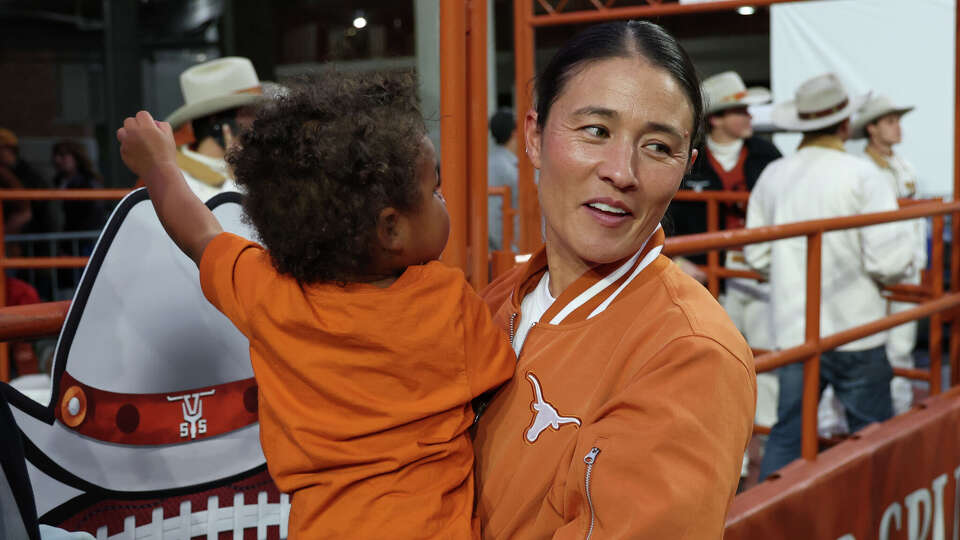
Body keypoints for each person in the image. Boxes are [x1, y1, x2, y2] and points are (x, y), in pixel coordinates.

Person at [117, 71, 514, 538]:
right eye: (434, 192)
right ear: (390, 229)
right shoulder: (444, 300)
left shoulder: (267, 293)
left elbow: (200, 235)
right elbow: (501, 385)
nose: (442, 200)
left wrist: (159, 164)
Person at [472, 21, 756, 538]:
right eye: (596, 131)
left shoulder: (687, 353)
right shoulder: (501, 297)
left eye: (657, 147)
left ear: (685, 167)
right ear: (534, 138)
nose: (622, 172)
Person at [745, 74, 917, 480]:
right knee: (870, 435)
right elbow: (886, 262)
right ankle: (875, 519)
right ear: (845, 124)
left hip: (794, 330)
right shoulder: (862, 175)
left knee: (788, 433)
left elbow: (756, 254)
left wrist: (790, 271)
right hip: (857, 326)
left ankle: (772, 524)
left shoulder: (774, 175)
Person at [852, 94, 925, 416]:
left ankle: (899, 412)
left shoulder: (904, 166)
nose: (898, 129)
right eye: (890, 121)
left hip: (905, 266)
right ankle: (840, 421)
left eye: (898, 121)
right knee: (861, 345)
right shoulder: (860, 170)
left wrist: (918, 261)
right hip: (870, 270)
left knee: (901, 344)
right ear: (872, 128)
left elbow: (918, 222)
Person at [163, 56, 263, 201]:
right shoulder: (178, 180)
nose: (259, 118)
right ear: (218, 122)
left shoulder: (257, 163)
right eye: (249, 111)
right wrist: (235, 182)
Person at [0, 128, 61, 236]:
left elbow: (27, 210)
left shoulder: (27, 175)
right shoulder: (11, 172)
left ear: (9, 149)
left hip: (33, 233)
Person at [487, 109, 518, 251]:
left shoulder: (507, 162)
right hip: (507, 252)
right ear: (514, 132)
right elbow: (492, 214)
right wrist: (508, 251)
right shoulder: (499, 166)